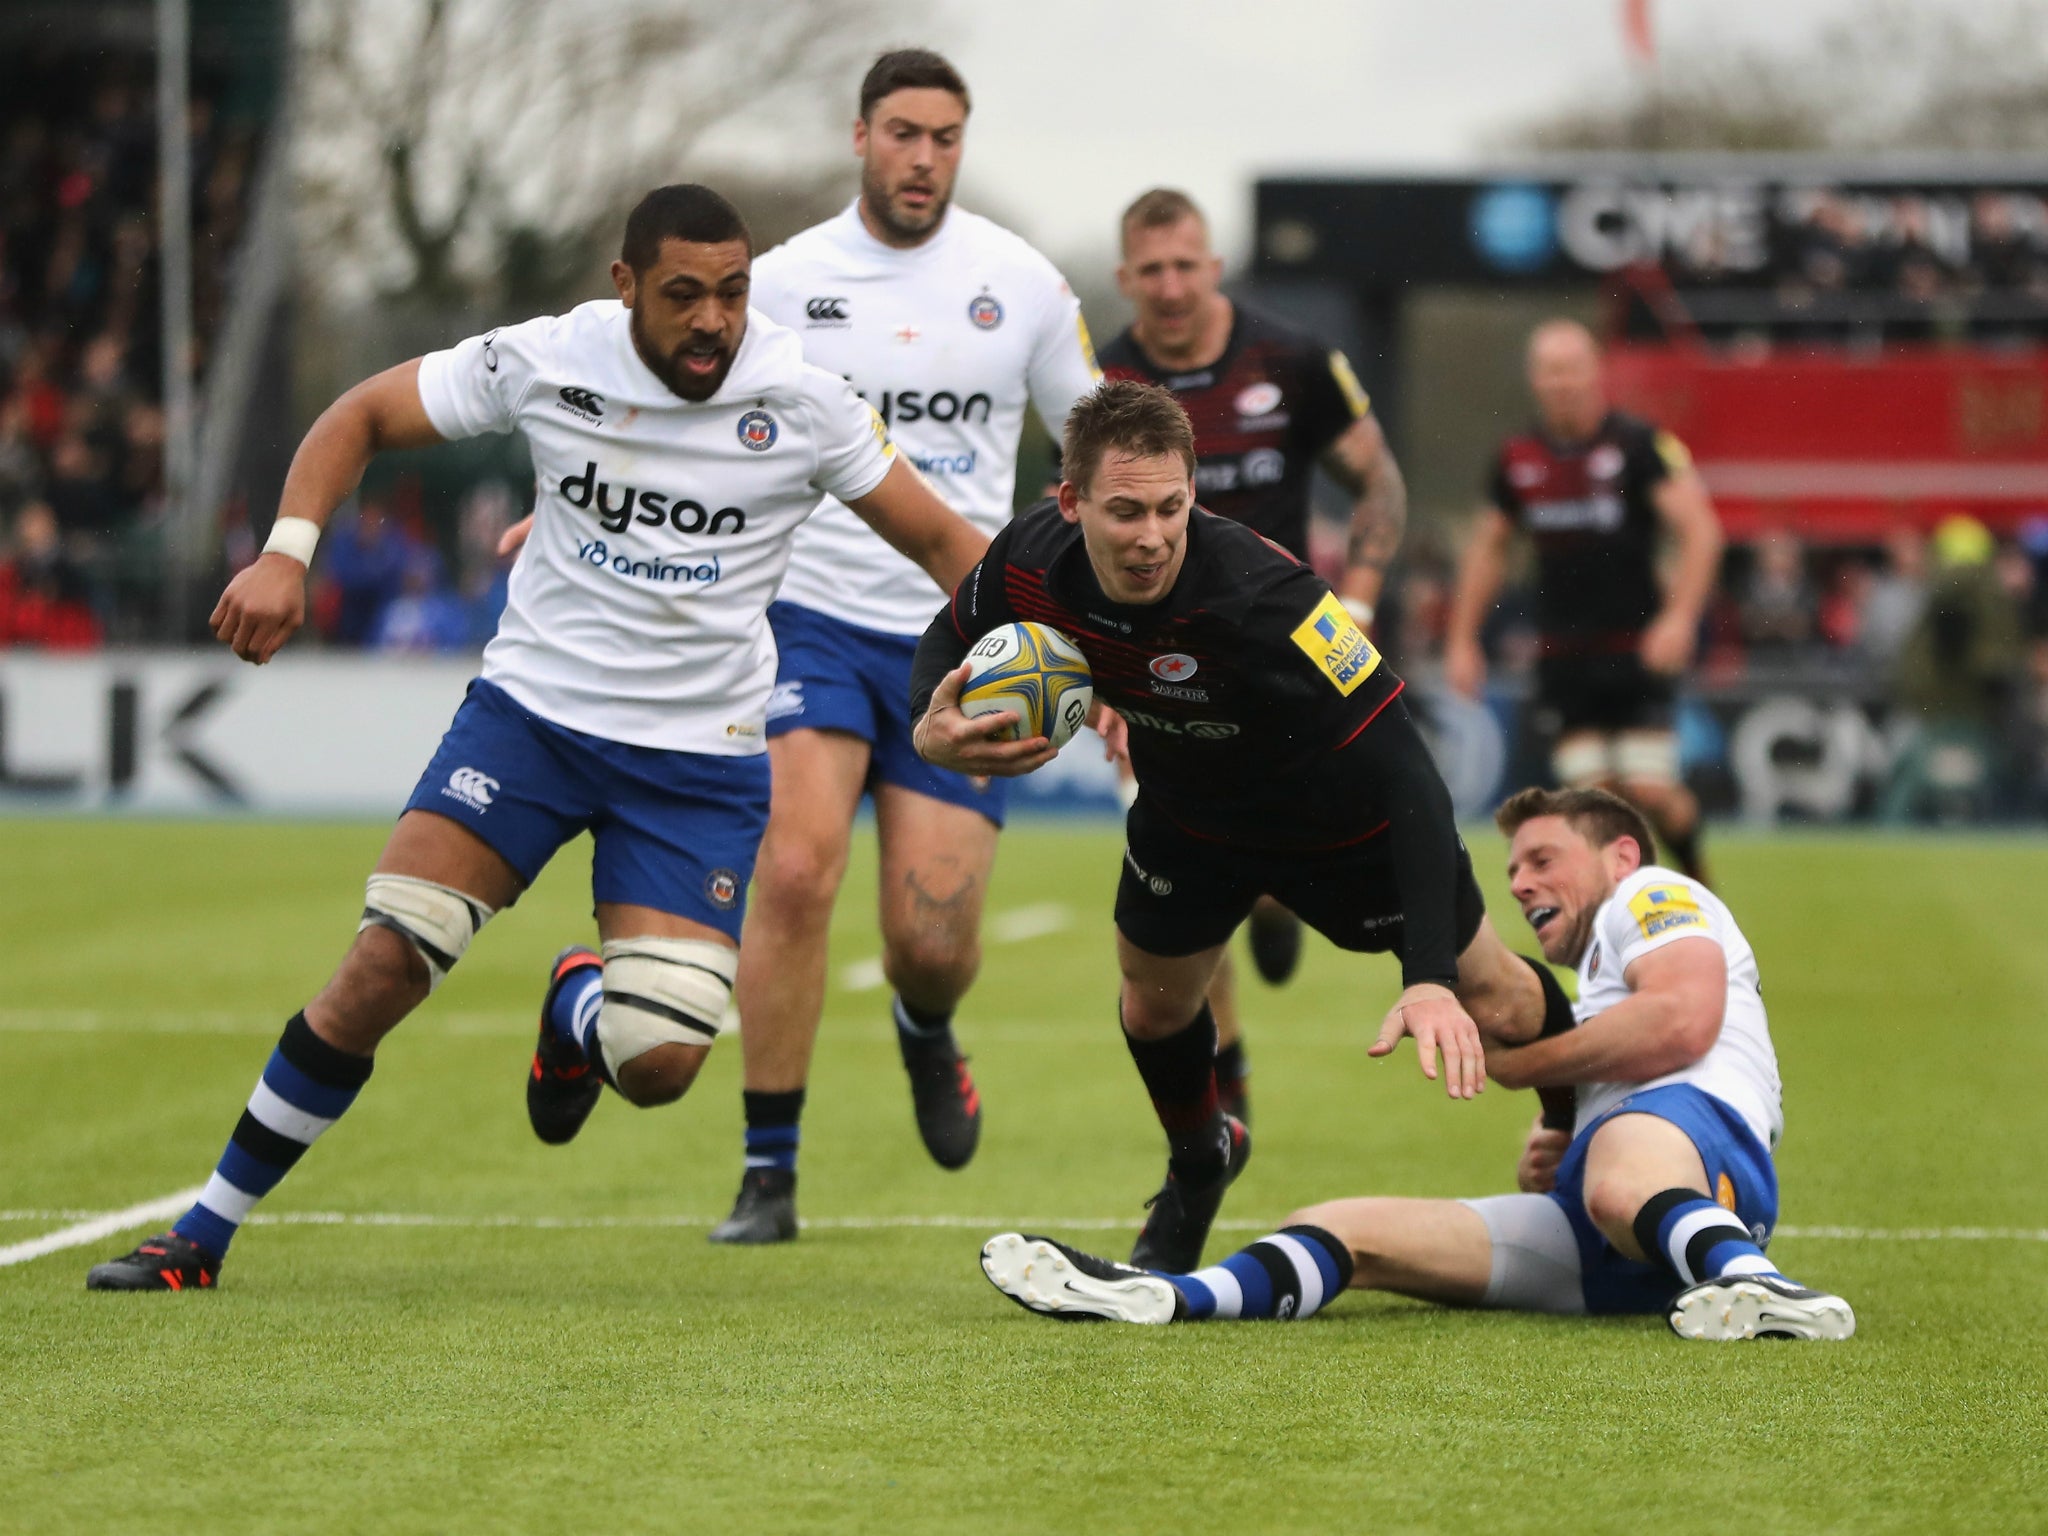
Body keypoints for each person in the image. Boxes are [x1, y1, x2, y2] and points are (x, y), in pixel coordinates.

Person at [82, 183, 987, 1292]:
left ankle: (578, 1004)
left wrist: (1035, 651)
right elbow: (358, 415)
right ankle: (202, 1235)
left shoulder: (802, 400)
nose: (714, 319)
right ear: (624, 286)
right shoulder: (551, 358)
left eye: (734, 293)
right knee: (384, 962)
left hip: (698, 765)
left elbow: (945, 540)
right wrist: (286, 550)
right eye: (684, 295)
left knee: (655, 1067)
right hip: (533, 723)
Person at [512, 51, 1101, 1245]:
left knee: (930, 941)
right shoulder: (777, 283)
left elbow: (1092, 449)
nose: (921, 156)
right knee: (791, 870)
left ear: (959, 144)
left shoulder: (1023, 283)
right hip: (805, 621)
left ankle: (926, 1031)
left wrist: (1108, 616)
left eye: (943, 136)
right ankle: (767, 1169)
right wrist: (572, 499)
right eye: (901, 132)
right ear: (860, 138)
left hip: (960, 638)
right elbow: (662, 405)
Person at [910, 381, 1576, 1274]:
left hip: (1344, 833)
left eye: (1170, 507)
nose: (1151, 535)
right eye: (1124, 511)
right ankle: (1200, 1163)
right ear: (1068, 503)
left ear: (1195, 494)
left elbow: (1410, 770)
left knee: (1493, 999)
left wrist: (1426, 981)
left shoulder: (1270, 595)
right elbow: (949, 631)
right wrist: (929, 724)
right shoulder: (1027, 559)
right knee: (1151, 1009)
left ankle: (1581, 1121)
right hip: (1193, 818)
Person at [978, 786, 1855, 1343]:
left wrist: (1535, 1075)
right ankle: (1172, 1299)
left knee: (1618, 1177)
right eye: (1511, 867)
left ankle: (1765, 1288)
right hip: (1612, 1241)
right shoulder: (1595, 987)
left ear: (1620, 854)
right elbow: (1629, 1063)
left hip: (1706, 1162)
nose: (1518, 882)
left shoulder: (1653, 894)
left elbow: (1685, 1020)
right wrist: (1570, 1131)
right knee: (1342, 1226)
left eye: (1542, 859)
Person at [1097, 187, 1409, 1124]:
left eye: (1186, 264)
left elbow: (1380, 481)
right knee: (1191, 878)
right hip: (1156, 671)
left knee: (1273, 873)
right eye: (1151, 270)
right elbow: (1069, 531)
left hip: (1285, 662)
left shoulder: (1293, 358)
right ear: (1125, 279)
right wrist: (1098, 667)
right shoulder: (1102, 380)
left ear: (1214, 264)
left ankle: (1278, 907)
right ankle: (1225, 1081)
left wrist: (1355, 604)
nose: (1171, 285)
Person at [1445, 319, 1723, 882]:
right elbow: (1488, 550)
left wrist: (1680, 618)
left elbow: (1701, 530)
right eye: (1550, 370)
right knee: (1592, 807)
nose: (1562, 381)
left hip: (1637, 650)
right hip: (1564, 657)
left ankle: (1701, 889)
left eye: (1572, 368)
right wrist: (1461, 640)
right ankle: (1625, 935)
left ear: (1596, 372)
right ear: (1534, 379)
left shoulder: (1640, 445)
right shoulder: (1517, 458)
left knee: (1651, 793)